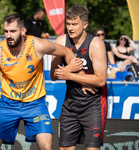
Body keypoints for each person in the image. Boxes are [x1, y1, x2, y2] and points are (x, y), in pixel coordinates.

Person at [0, 14, 80, 150]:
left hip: (35, 103)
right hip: (7, 104)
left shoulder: (38, 45)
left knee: (47, 147)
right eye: (6, 31)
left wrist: (73, 72)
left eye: (13, 31)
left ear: (23, 31)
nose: (8, 35)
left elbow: (66, 51)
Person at [50, 5, 107, 150]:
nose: (70, 28)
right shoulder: (61, 41)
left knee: (92, 148)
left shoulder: (96, 44)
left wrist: (70, 75)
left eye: (74, 24)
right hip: (70, 103)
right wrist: (68, 70)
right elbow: (53, 75)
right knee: (64, 148)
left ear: (85, 24)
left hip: (93, 105)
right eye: (68, 24)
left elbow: (100, 80)